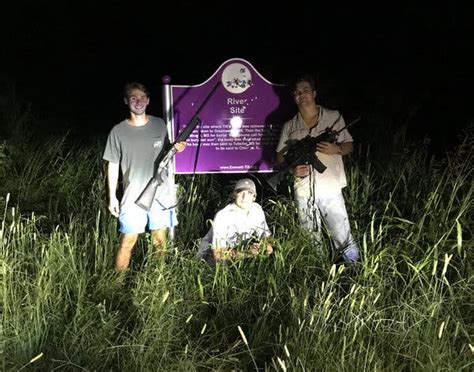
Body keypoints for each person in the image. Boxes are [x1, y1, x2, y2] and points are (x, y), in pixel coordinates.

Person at [103, 82, 186, 272]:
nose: (138, 101)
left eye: (142, 98)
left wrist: (177, 148)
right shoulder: (118, 131)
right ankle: (115, 286)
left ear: (148, 101)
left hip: (161, 195)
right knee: (127, 241)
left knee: (160, 241)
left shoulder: (159, 125)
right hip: (132, 197)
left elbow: (167, 152)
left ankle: (158, 282)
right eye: (133, 98)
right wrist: (112, 197)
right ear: (126, 101)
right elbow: (113, 165)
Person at [275, 74, 359, 264]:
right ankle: (317, 271)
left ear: (314, 94)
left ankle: (354, 268)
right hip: (303, 190)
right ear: (294, 97)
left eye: (305, 90)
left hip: (330, 187)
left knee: (342, 233)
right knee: (310, 237)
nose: (301, 95)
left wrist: (336, 149)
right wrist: (291, 170)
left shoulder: (334, 117)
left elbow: (349, 145)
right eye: (297, 92)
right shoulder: (290, 126)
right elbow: (280, 157)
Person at [199, 178, 273, 265]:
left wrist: (267, 245)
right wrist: (248, 253)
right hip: (209, 259)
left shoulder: (257, 210)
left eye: (249, 193)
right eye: (241, 192)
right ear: (234, 194)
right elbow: (218, 255)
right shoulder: (223, 215)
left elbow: (266, 235)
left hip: (237, 255)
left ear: (254, 197)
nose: (245, 197)